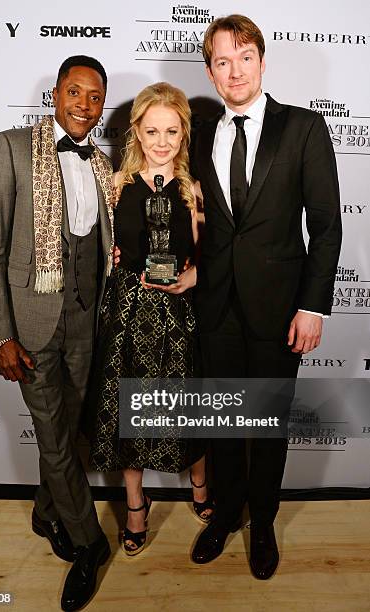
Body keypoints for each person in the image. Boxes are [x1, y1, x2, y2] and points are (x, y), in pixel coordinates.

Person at [190, 15, 342, 579]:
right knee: (223, 422)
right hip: (215, 307)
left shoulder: (303, 128)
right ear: (210, 70)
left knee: (267, 424)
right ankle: (226, 514)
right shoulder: (199, 133)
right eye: (222, 61)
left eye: (244, 57)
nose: (234, 71)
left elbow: (325, 227)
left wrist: (313, 305)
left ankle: (262, 522)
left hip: (280, 310)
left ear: (261, 60)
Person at [0, 55, 114, 611]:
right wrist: (0, 335)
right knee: (53, 434)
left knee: (69, 429)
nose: (84, 104)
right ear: (55, 94)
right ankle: (88, 543)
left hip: (86, 318)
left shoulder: (103, 165)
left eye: (95, 96)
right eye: (74, 92)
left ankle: (44, 511)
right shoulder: (9, 147)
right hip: (29, 325)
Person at [88, 82, 213, 556]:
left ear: (184, 135)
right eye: (152, 130)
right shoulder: (117, 185)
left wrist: (194, 277)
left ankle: (201, 487)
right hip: (127, 310)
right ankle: (135, 504)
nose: (162, 141)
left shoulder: (193, 190)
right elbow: (98, 246)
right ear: (136, 132)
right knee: (128, 411)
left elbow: (208, 254)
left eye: (172, 131)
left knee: (188, 406)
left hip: (180, 314)